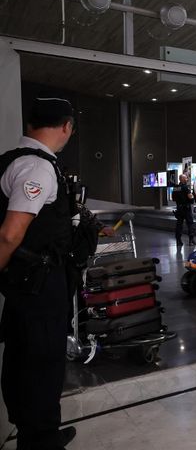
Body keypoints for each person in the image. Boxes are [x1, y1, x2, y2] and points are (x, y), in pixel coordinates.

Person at [0, 97, 78, 449]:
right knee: (41, 362)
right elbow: (10, 234)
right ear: (66, 127)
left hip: (27, 283)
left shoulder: (15, 160)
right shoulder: (37, 168)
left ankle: (38, 431)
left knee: (26, 358)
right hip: (38, 286)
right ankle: (40, 440)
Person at [172, 174, 195, 246]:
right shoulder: (185, 187)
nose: (187, 179)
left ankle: (178, 241)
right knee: (190, 224)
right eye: (186, 178)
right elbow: (190, 197)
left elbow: (173, 198)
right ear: (182, 179)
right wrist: (192, 200)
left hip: (179, 209)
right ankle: (191, 241)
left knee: (179, 225)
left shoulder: (175, 187)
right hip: (186, 209)